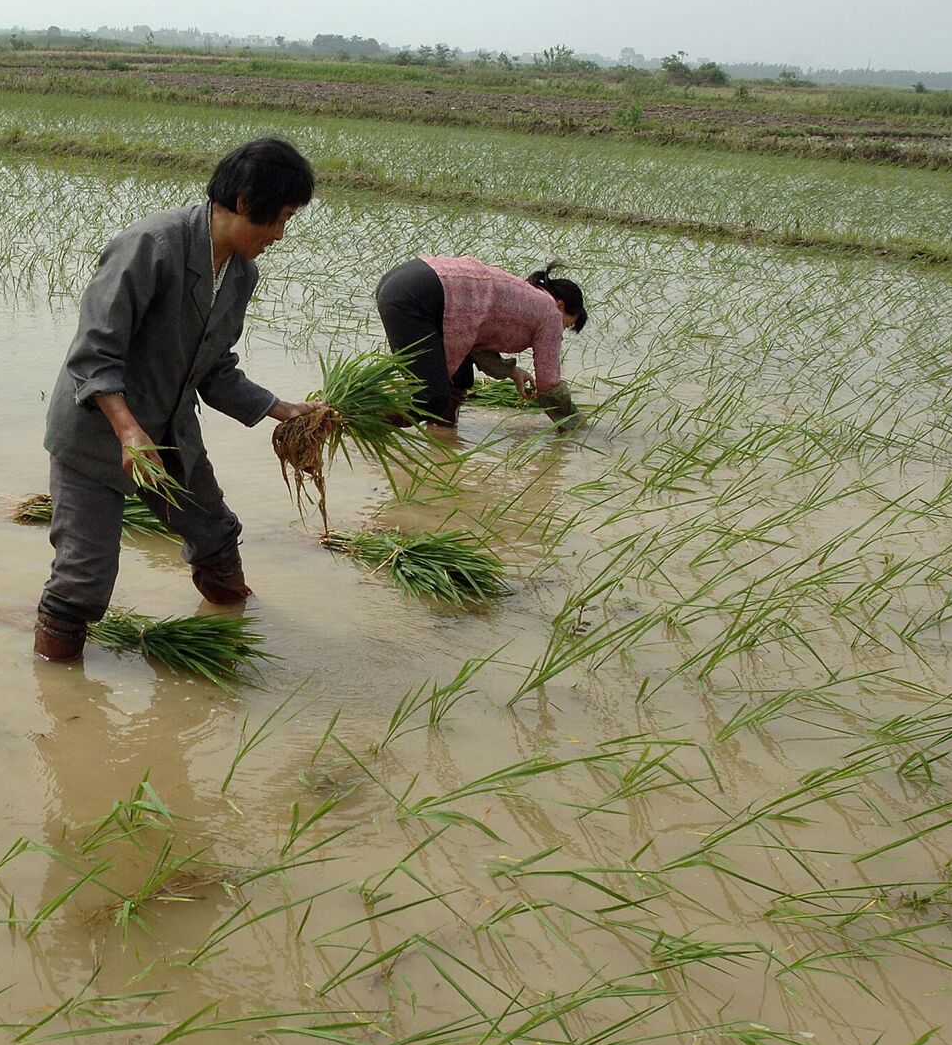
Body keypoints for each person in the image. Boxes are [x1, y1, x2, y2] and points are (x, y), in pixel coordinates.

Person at [33, 137, 321, 662]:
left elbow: (211, 370)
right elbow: (93, 354)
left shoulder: (239, 274)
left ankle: (236, 634)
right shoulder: (151, 246)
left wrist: (279, 407)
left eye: (288, 222)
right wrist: (127, 430)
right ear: (242, 201)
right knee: (83, 580)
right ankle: (61, 696)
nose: (279, 235)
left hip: (167, 432)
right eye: (276, 219)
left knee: (216, 534)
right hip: (98, 435)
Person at [375, 257, 586, 429]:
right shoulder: (550, 312)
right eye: (568, 324)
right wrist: (573, 423)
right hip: (418, 297)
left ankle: (443, 438)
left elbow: (475, 338)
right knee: (431, 398)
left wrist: (511, 372)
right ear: (561, 305)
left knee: (459, 380)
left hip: (402, 281)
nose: (562, 329)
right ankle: (355, 416)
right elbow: (549, 384)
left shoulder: (525, 295)